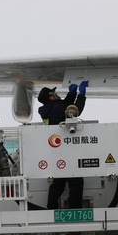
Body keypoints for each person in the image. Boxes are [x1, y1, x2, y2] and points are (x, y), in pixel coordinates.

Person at [38, 81, 89, 209]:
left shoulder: (48, 109)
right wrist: (81, 94)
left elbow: (65, 105)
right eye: (53, 93)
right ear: (51, 97)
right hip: (67, 150)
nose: (56, 94)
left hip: (56, 150)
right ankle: (74, 211)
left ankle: (51, 209)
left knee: (58, 184)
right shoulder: (57, 108)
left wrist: (71, 94)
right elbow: (74, 111)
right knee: (76, 182)